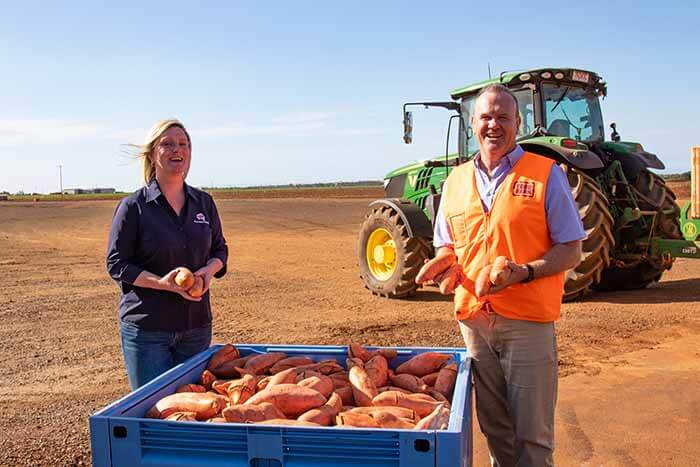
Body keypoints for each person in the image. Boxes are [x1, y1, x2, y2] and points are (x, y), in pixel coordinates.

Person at [416, 84, 585, 466]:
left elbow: (571, 249)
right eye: (486, 117)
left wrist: (524, 272)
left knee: (532, 437)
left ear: (518, 124)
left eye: (503, 118)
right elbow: (448, 245)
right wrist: (446, 264)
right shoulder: (455, 182)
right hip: (474, 322)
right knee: (495, 431)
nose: (494, 125)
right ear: (472, 123)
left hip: (527, 321)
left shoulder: (546, 174)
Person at [106, 119, 228, 390]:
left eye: (183, 144)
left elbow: (220, 249)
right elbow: (116, 263)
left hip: (196, 328)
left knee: (192, 408)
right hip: (148, 330)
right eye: (168, 144)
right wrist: (162, 284)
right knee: (155, 410)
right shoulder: (133, 207)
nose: (177, 150)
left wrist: (208, 271)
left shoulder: (203, 202)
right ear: (152, 154)